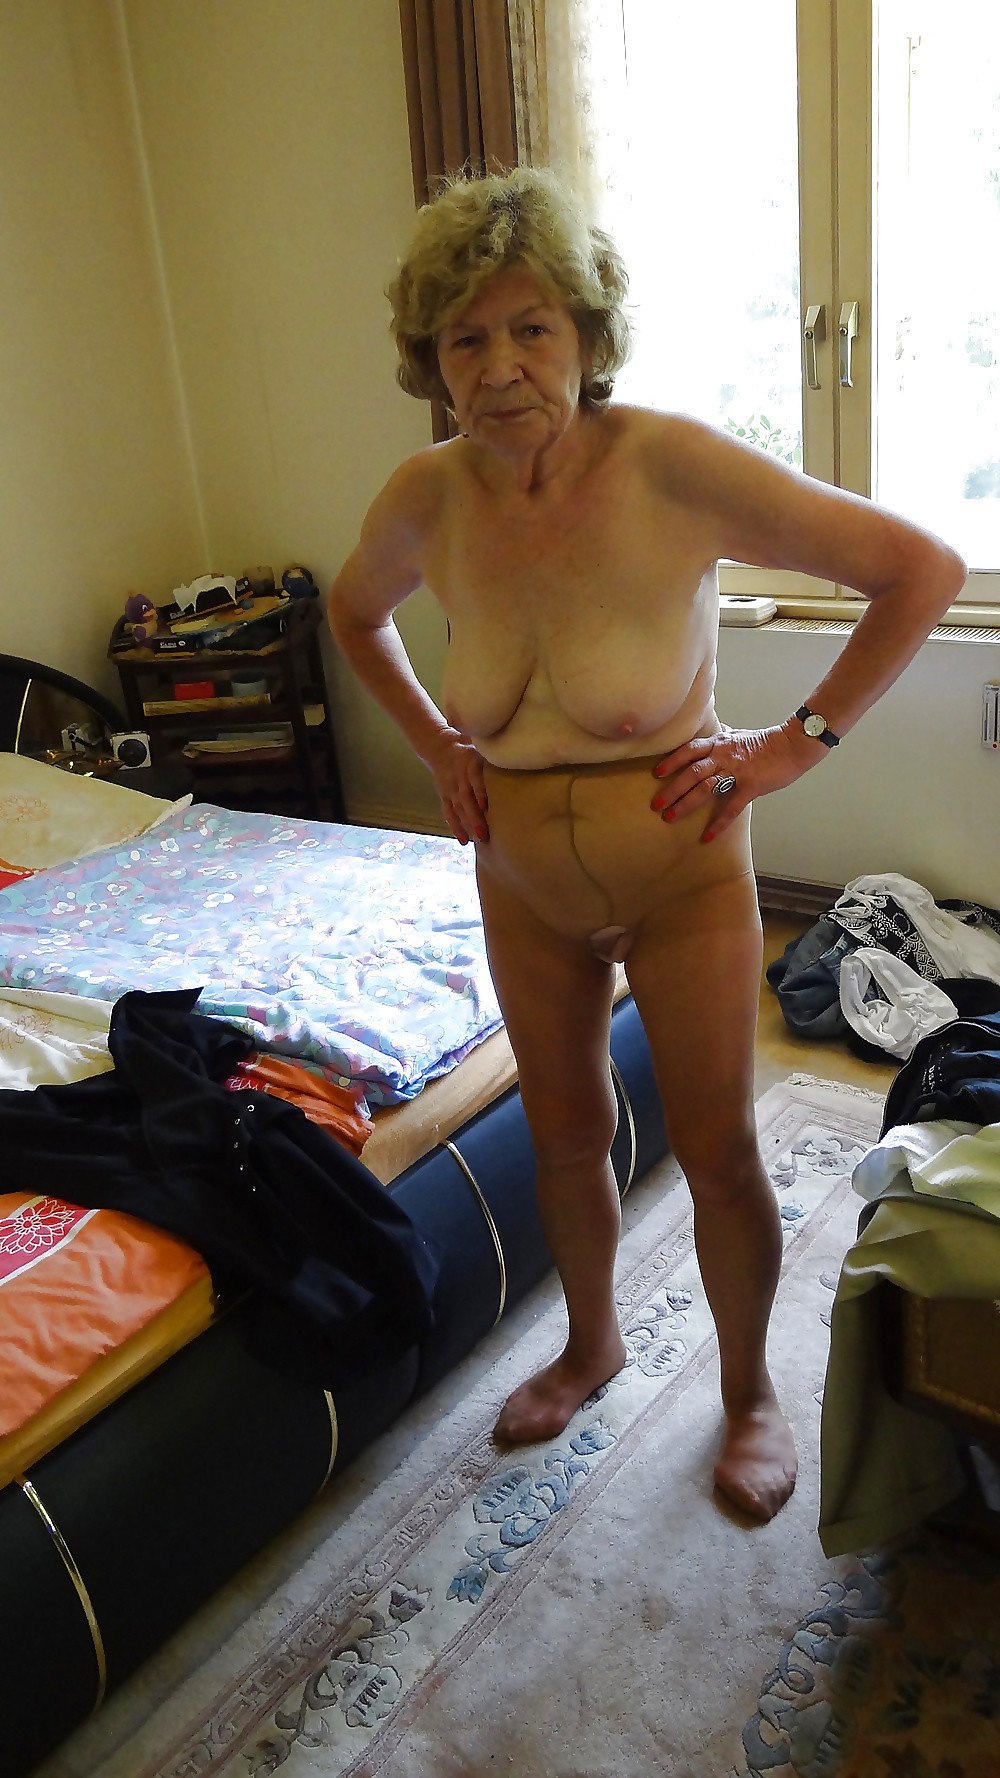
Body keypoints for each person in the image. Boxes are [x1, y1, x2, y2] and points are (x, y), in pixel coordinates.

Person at [327, 168, 965, 1522]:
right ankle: (590, 1344)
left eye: (532, 327)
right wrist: (440, 744)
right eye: (464, 337)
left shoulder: (672, 467)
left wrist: (794, 743)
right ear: (431, 358)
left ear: (587, 333)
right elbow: (356, 614)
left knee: (720, 1148)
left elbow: (920, 569)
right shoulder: (429, 495)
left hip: (683, 876)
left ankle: (747, 1393)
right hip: (522, 887)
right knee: (566, 1137)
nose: (500, 366)